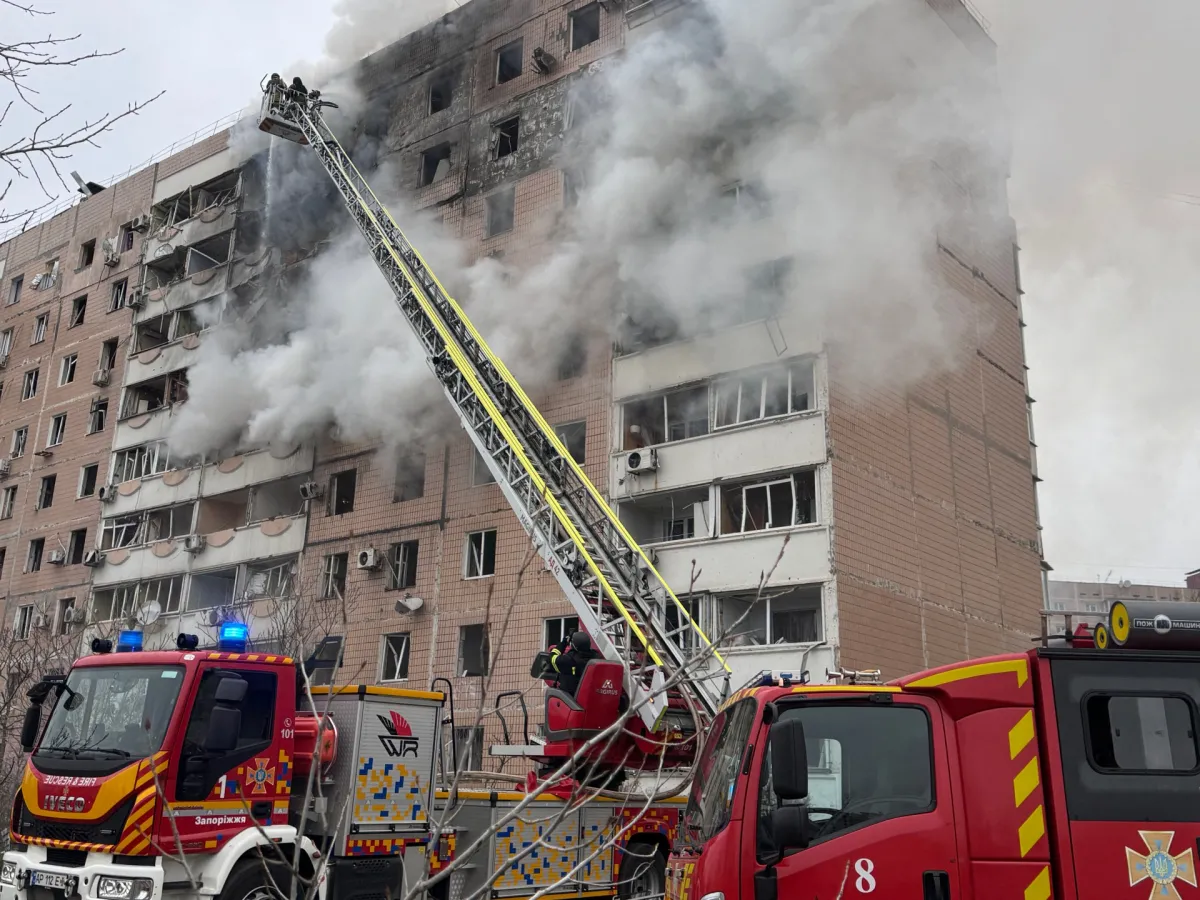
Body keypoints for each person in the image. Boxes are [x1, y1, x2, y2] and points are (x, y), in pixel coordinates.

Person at [550, 631, 597, 697]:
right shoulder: (596, 658)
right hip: (590, 696)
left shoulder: (568, 659)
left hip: (571, 697)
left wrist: (564, 642)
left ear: (573, 645)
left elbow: (552, 658)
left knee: (550, 692)